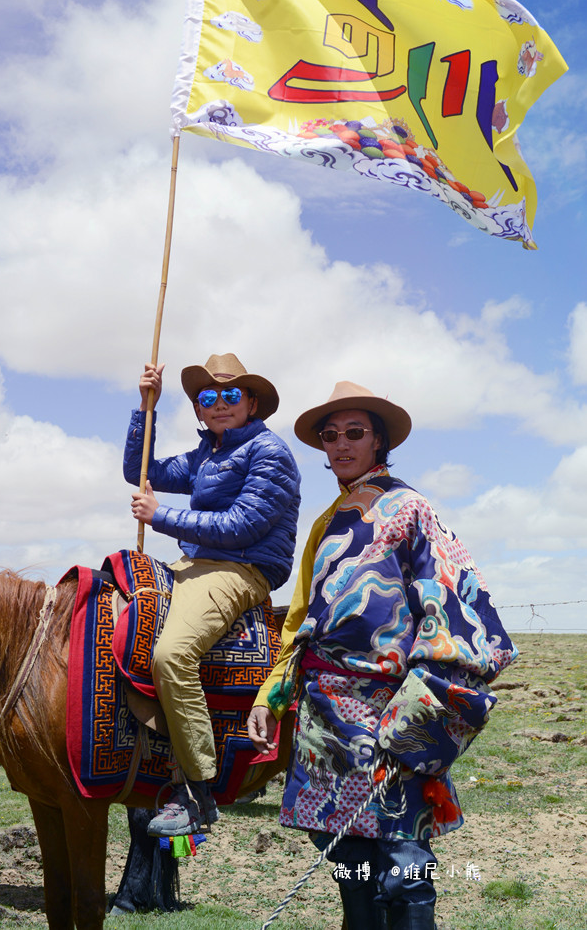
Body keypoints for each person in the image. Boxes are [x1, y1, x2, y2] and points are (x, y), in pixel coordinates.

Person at [248, 381, 516, 930]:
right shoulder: (326, 522)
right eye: (330, 435)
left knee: (402, 850)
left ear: (379, 440)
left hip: (385, 706)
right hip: (323, 713)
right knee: (344, 851)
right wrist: (270, 695)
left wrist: (421, 709)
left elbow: (455, 604)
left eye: (355, 433)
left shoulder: (410, 508)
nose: (341, 444)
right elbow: (301, 619)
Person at [124, 353, 301, 836]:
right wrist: (146, 409)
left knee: (172, 656)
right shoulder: (207, 454)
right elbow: (141, 471)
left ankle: (198, 792)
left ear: (252, 402)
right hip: (194, 561)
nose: (218, 404)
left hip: (240, 567)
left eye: (230, 394)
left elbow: (242, 524)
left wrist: (160, 517)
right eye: (207, 397)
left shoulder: (270, 452)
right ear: (199, 410)